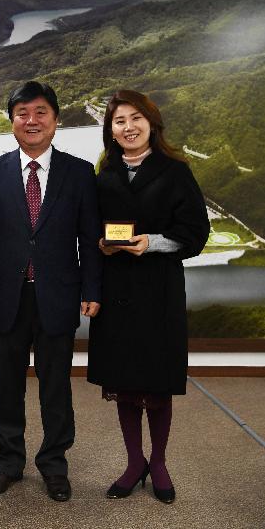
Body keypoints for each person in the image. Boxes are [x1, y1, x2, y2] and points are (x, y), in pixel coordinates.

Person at [0, 80, 102, 502]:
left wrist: (92, 288)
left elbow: (89, 236)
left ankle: (55, 464)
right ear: (12, 122)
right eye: (23, 113)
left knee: (56, 385)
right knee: (6, 385)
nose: (31, 120)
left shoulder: (78, 172)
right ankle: (8, 462)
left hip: (57, 295)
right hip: (6, 295)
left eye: (40, 112)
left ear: (55, 120)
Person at [88, 89, 210, 504]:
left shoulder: (176, 171)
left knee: (157, 385)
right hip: (117, 293)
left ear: (151, 123)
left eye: (135, 118)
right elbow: (92, 231)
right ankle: (133, 461)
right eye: (119, 121)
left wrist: (151, 243)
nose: (128, 127)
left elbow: (196, 235)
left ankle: (158, 462)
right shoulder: (104, 173)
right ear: (111, 130)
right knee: (124, 385)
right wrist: (102, 246)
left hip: (159, 292)